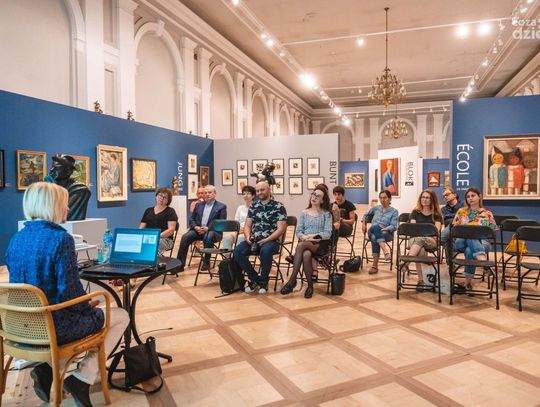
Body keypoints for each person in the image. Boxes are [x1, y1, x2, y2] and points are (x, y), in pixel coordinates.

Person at [5, 182, 129, 407]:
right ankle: (82, 378)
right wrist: (87, 306)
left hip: (20, 327)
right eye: (64, 203)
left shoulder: (17, 239)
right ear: (51, 206)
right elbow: (69, 292)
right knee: (120, 316)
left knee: (90, 314)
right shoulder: (61, 239)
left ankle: (46, 370)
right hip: (54, 327)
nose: (68, 209)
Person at [233, 181, 287, 294]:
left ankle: (263, 282)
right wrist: (248, 237)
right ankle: (254, 279)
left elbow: (281, 229)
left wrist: (267, 239)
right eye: (257, 191)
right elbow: (247, 225)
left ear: (269, 190)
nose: (259, 192)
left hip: (272, 241)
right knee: (237, 251)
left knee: (265, 251)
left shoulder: (278, 206)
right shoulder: (254, 206)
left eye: (262, 190)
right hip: (255, 240)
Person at [280, 186, 333, 298]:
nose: (314, 197)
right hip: (306, 243)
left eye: (318, 196)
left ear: (323, 200)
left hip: (320, 244)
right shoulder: (304, 212)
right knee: (306, 254)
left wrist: (312, 237)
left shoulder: (326, 214)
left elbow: (327, 233)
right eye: (313, 194)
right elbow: (299, 231)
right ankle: (310, 287)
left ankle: (292, 281)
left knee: (300, 246)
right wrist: (304, 236)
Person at [452, 187, 497, 290]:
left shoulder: (487, 213)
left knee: (469, 250)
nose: (470, 198)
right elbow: (454, 229)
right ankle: (483, 261)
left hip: (483, 243)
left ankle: (467, 283)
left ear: (479, 197)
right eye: (468, 196)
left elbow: (492, 233)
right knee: (470, 233)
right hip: (461, 242)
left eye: (473, 195)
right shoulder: (461, 212)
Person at [176, 185, 227, 271]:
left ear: (215, 193)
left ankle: (206, 263)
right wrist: (195, 227)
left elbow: (221, 224)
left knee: (208, 236)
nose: (207, 194)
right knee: (185, 237)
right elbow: (192, 219)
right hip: (198, 230)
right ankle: (179, 265)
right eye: (205, 193)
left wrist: (208, 228)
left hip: (213, 232)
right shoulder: (198, 205)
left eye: (209, 192)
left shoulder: (221, 207)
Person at [408, 189, 443, 290]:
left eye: (427, 197)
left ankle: (407, 261)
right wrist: (426, 232)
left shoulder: (436, 214)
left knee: (419, 240)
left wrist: (424, 233)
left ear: (432, 200)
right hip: (415, 240)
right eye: (423, 197)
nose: (424, 199)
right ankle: (421, 280)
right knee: (420, 249)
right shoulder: (415, 212)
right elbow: (413, 229)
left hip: (431, 241)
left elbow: (436, 231)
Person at [361, 190, 399, 274]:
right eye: (381, 198)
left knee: (374, 237)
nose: (382, 200)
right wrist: (363, 223)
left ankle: (375, 265)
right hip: (372, 231)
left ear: (390, 199)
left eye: (385, 198)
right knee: (375, 226)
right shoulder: (376, 208)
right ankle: (385, 251)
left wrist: (386, 229)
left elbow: (394, 226)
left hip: (386, 233)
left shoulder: (394, 211)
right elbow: (365, 215)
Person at [47, 154, 91, 221]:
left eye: (57, 168)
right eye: (52, 167)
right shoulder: (51, 187)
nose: (51, 170)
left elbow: (62, 216)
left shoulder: (79, 190)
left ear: (69, 171)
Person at [140, 187, 178, 255]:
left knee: (153, 247)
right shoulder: (148, 210)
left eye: (165, 197)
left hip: (165, 239)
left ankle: (153, 260)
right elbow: (141, 227)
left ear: (168, 200)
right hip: (148, 237)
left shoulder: (170, 211)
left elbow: (171, 230)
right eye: (160, 195)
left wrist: (156, 236)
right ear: (156, 196)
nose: (162, 198)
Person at [222, 185, 256, 249]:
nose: (246, 196)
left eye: (248, 194)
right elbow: (236, 221)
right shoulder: (240, 208)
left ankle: (236, 255)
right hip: (238, 231)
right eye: (244, 194)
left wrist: (244, 230)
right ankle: (227, 255)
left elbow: (255, 224)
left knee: (240, 238)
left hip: (249, 233)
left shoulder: (256, 208)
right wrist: (238, 230)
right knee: (226, 237)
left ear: (253, 196)